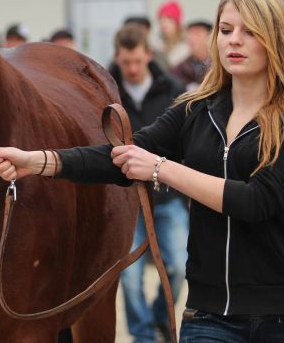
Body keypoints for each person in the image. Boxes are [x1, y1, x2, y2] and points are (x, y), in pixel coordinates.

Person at [0, 0, 284, 342]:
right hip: (209, 318)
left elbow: (259, 200)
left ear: (275, 37)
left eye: (250, 31)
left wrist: (161, 169)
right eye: (226, 30)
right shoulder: (196, 109)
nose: (234, 41)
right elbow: (123, 155)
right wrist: (39, 161)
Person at [108, 23, 187, 343]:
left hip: (167, 194)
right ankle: (143, 336)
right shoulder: (106, 92)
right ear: (117, 58)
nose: (132, 68)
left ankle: (159, 319)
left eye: (138, 61)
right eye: (126, 62)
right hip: (125, 198)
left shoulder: (173, 89)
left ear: (149, 55)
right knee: (129, 274)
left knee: (179, 265)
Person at [172, 20, 212, 91]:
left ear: (210, 37)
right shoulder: (179, 69)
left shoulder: (219, 66)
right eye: (189, 34)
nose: (191, 39)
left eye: (197, 34)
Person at [152, 0, 189, 69]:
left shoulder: (187, 45)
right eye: (161, 19)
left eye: (169, 18)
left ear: (177, 22)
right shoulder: (156, 45)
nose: (164, 23)